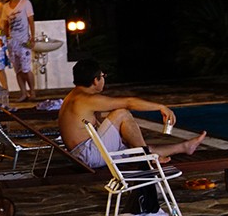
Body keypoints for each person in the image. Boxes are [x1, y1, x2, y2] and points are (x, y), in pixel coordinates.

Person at [59, 59, 207, 169]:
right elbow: (128, 102)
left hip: (82, 154)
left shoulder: (73, 96)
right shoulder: (87, 99)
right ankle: (148, 158)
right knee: (122, 113)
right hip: (88, 156)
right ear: (95, 80)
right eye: (102, 76)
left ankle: (185, 147)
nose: (104, 79)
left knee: (135, 145)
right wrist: (161, 107)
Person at [0, 0, 35, 101]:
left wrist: (32, 37)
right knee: (18, 70)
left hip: (24, 41)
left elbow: (31, 21)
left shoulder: (25, 3)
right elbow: (5, 24)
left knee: (26, 68)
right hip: (12, 42)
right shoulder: (5, 7)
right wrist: (5, 37)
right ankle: (23, 93)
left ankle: (32, 92)